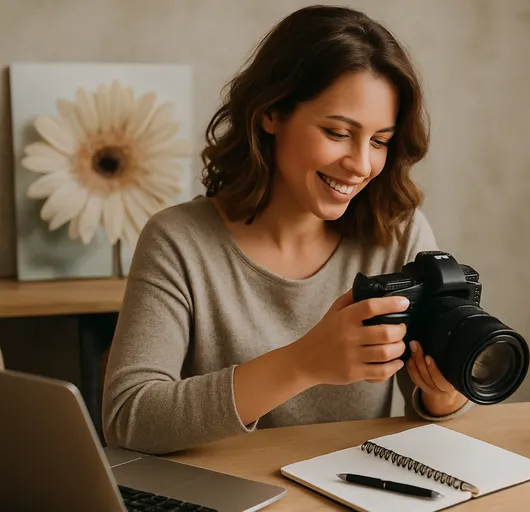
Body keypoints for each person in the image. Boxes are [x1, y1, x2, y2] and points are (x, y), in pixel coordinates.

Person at [102, 5, 472, 455]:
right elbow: (128, 417)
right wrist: (304, 363)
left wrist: (442, 393)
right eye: (338, 132)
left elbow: (430, 407)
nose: (360, 164)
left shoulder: (396, 232)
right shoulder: (179, 241)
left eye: (379, 141)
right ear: (271, 113)